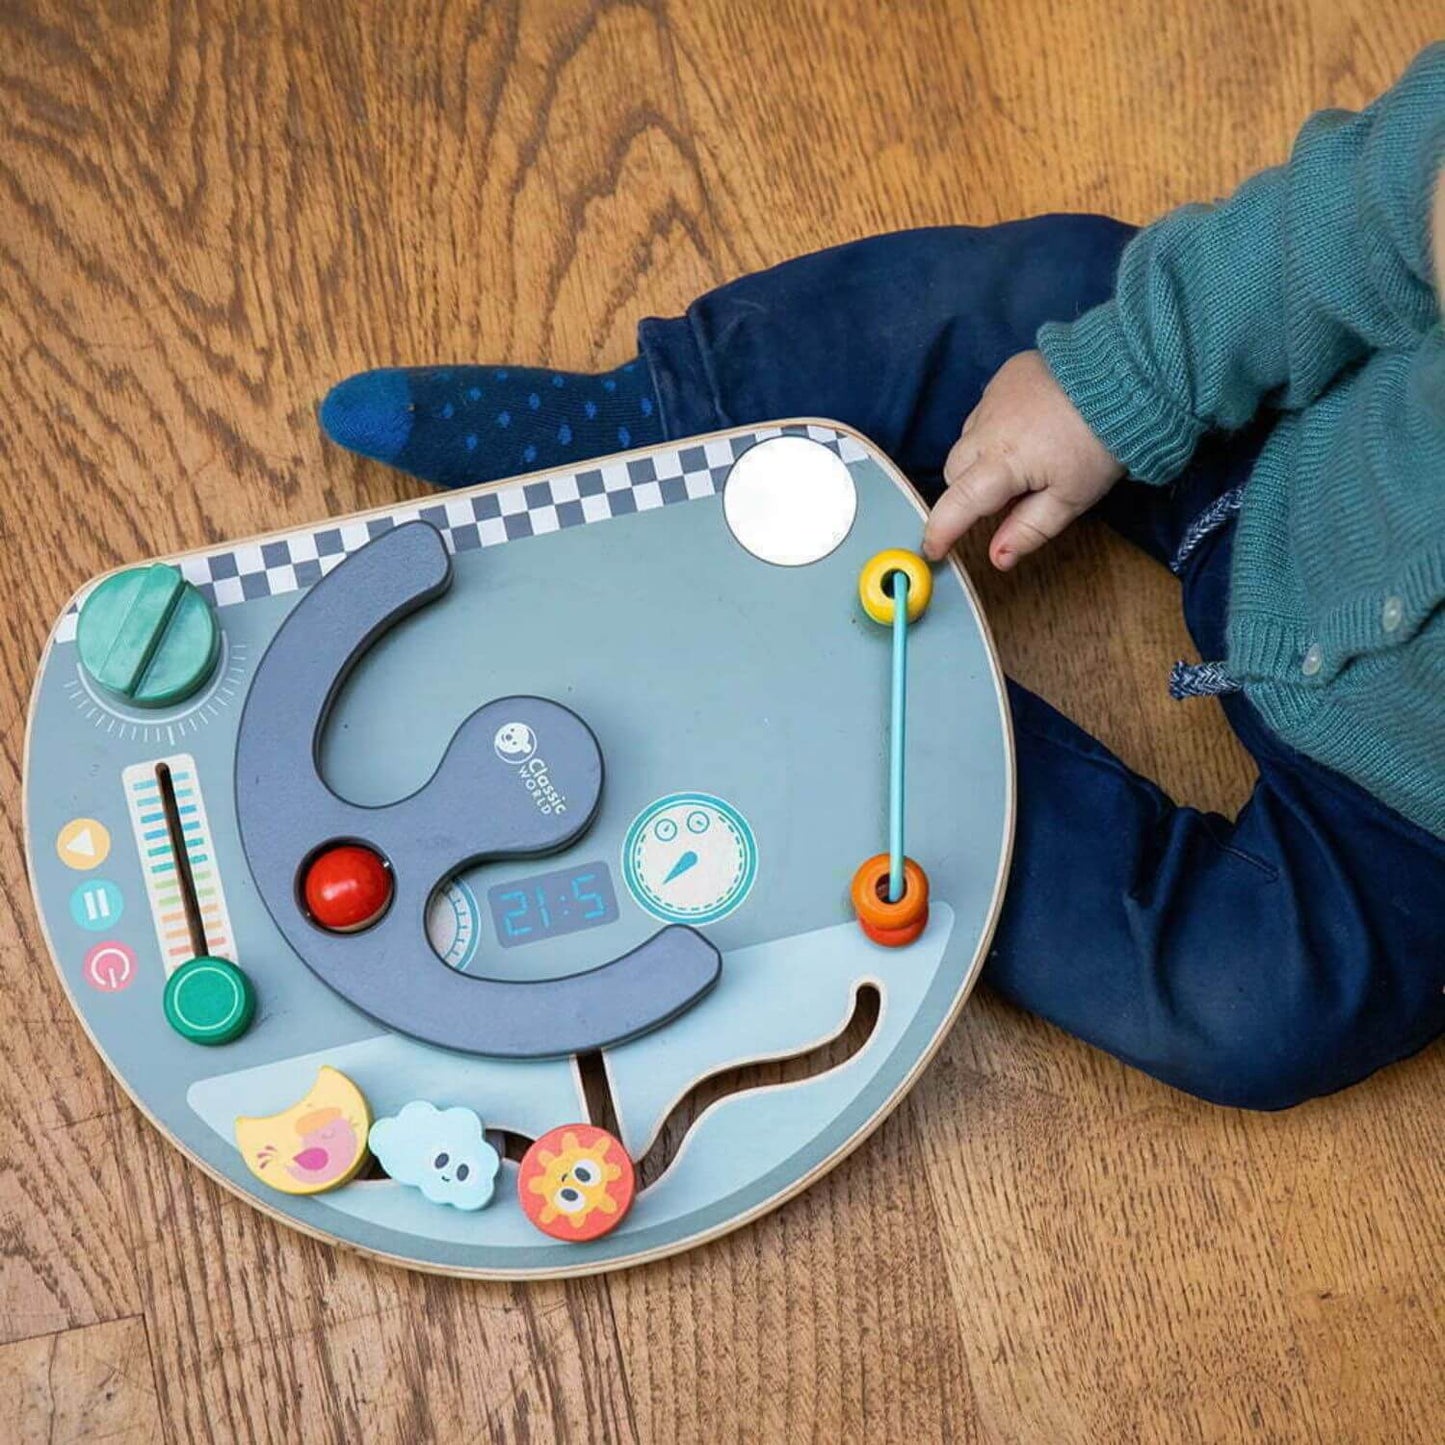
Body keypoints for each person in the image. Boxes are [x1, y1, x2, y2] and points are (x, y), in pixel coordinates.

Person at [319, 46, 1445, 1110]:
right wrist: (1118, 380)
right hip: (1301, 440)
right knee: (1050, 294)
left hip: (1395, 822)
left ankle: (870, 754)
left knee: (1248, 1006)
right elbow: (1358, 212)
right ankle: (653, 424)